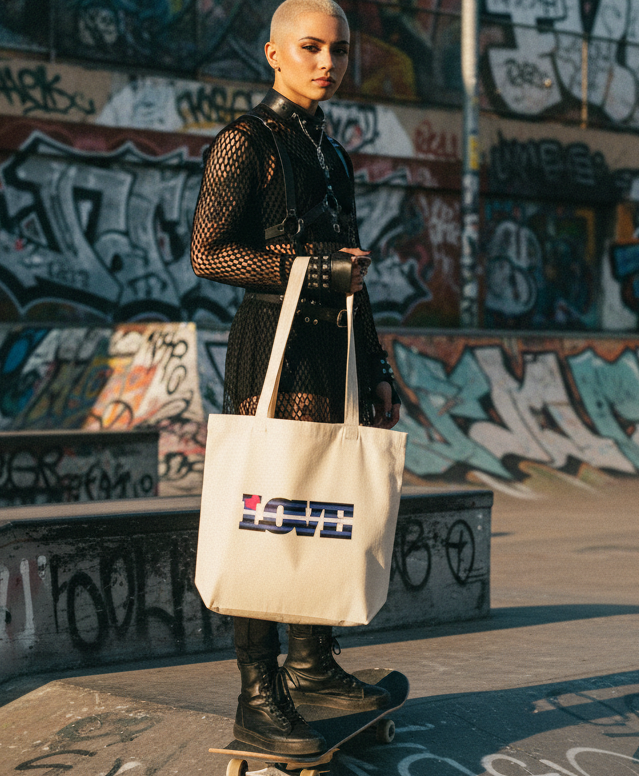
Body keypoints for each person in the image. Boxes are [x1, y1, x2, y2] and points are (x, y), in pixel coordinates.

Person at [191, 0, 401, 756]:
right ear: (274, 54)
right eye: (310, 48)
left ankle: (311, 665)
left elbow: (356, 270)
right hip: (267, 352)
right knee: (265, 511)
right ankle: (258, 693)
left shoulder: (334, 154)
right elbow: (209, 254)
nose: (327, 63)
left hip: (333, 351)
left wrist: (376, 363)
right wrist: (310, 269)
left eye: (339, 51)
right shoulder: (244, 143)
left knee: (321, 506)